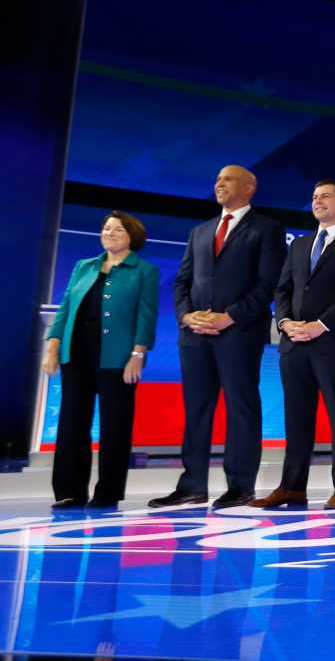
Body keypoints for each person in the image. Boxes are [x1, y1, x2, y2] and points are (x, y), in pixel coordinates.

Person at [151, 165, 286, 510]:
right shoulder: (200, 231)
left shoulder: (267, 230)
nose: (219, 184)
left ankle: (240, 486)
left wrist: (230, 316)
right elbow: (182, 282)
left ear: (249, 187)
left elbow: (267, 285)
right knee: (197, 409)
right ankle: (192, 484)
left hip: (238, 334)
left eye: (227, 179)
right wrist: (186, 315)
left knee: (241, 408)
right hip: (195, 336)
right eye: (217, 180)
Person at [252, 179, 335, 510]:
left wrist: (319, 326)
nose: (317, 201)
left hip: (334, 343)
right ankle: (292, 487)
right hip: (293, 344)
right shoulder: (300, 245)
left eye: (325, 196)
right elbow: (283, 290)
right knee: (296, 417)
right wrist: (286, 323)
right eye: (314, 197)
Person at [42, 212, 158, 509]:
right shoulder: (84, 266)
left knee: (115, 426)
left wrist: (137, 355)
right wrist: (53, 347)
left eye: (117, 229)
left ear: (132, 235)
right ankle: (69, 491)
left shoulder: (144, 271)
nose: (109, 233)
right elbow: (66, 307)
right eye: (106, 228)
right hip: (77, 354)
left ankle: (107, 492)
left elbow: (146, 316)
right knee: (71, 424)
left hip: (118, 359)